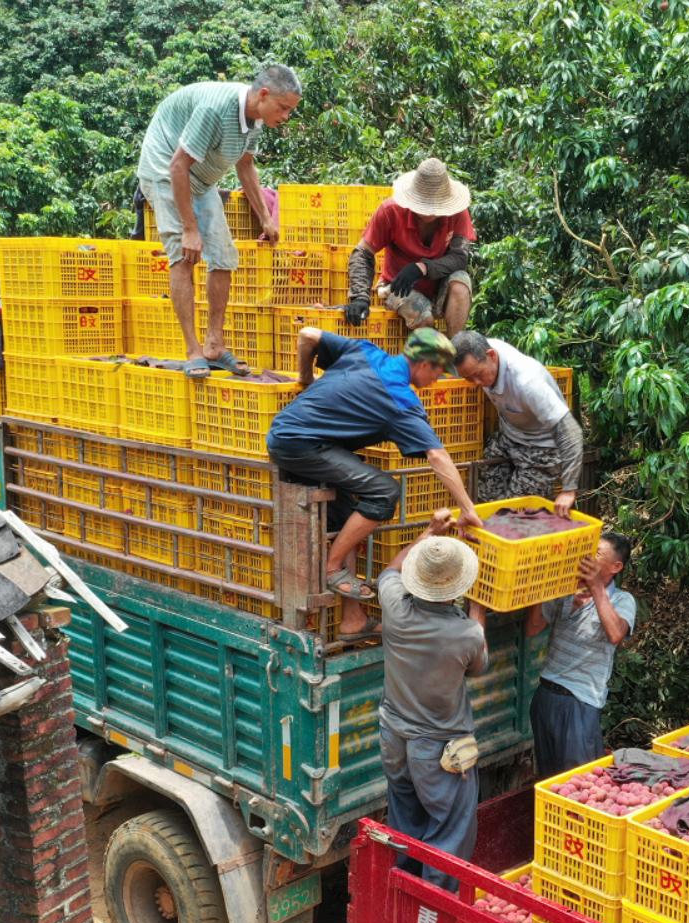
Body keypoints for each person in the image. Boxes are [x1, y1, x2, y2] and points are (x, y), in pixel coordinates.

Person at [264, 326, 483, 639]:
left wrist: (306, 378)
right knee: (384, 491)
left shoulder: (364, 351)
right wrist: (467, 508)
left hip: (295, 437)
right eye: (437, 372)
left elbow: (307, 335)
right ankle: (332, 567)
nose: (438, 380)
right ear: (423, 365)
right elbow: (437, 455)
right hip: (298, 445)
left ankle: (352, 621)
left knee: (349, 517)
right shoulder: (400, 400)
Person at [137, 64, 301, 378]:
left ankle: (214, 344)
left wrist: (266, 218)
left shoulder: (254, 120)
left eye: (290, 110)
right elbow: (177, 166)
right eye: (283, 108)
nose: (285, 116)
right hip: (165, 170)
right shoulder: (216, 110)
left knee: (224, 258)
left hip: (201, 179)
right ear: (263, 94)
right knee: (184, 256)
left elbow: (246, 165)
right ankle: (193, 350)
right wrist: (189, 228)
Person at [378, 510, 489, 891]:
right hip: (440, 746)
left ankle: (403, 888)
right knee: (450, 828)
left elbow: (389, 573)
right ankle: (433, 904)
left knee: (404, 817)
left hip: (393, 735)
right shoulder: (467, 634)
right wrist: (480, 607)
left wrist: (428, 533)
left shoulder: (395, 609)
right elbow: (477, 668)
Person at [525, 534, 636, 776]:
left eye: (597, 553)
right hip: (546, 695)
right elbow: (532, 629)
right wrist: (542, 586)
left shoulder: (622, 600)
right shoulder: (566, 591)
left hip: (580, 702)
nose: (587, 557)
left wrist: (596, 588)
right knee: (548, 780)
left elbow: (616, 634)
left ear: (616, 567)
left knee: (579, 781)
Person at [451, 330, 584, 518]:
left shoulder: (528, 382)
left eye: (478, 375)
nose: (476, 383)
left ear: (491, 356)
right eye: (468, 378)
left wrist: (569, 488)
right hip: (509, 437)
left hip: (542, 449)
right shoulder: (477, 350)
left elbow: (571, 432)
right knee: (487, 505)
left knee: (513, 516)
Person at [346, 158, 475, 333]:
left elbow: (460, 258)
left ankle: (455, 350)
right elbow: (363, 253)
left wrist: (422, 268)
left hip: (438, 286)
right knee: (424, 318)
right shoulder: (391, 211)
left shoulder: (457, 213)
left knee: (461, 281)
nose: (428, 212)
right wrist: (360, 297)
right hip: (398, 287)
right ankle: (429, 354)